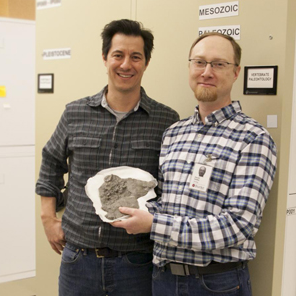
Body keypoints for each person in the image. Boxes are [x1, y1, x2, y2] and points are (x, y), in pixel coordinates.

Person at [112, 32, 277, 295]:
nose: (207, 72)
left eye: (218, 64)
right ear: (190, 67)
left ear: (236, 72)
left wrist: (153, 224)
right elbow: (166, 203)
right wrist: (126, 207)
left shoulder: (253, 139)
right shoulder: (174, 133)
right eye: (199, 62)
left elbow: (238, 225)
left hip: (215, 283)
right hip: (163, 278)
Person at [35, 19, 179, 296]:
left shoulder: (165, 120)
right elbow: (51, 162)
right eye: (118, 55)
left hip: (137, 263)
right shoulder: (75, 113)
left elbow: (171, 186)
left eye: (135, 57)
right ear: (105, 58)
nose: (126, 64)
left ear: (146, 62)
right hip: (79, 260)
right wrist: (48, 218)